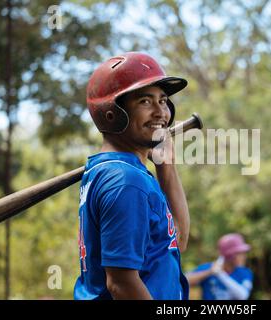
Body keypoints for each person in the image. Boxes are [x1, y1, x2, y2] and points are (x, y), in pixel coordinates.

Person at [73, 52, 190, 300]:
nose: (161, 112)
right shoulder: (125, 181)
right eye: (145, 102)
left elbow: (175, 242)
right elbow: (122, 284)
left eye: (164, 100)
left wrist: (166, 165)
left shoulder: (114, 172)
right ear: (112, 113)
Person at [186, 233, 253, 300]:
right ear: (229, 255)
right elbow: (184, 281)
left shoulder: (245, 272)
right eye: (239, 253)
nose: (244, 257)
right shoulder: (209, 268)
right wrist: (209, 272)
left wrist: (220, 274)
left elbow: (243, 296)